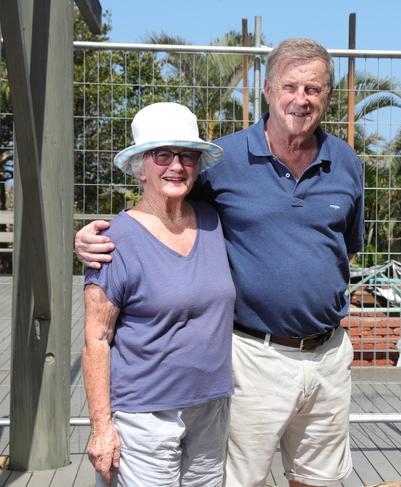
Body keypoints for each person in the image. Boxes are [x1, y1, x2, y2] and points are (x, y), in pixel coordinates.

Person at [77, 38, 365, 487]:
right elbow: (158, 209)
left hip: (325, 357)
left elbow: (344, 249)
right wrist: (89, 241)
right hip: (253, 356)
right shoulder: (225, 162)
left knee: (319, 479)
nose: (301, 99)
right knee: (241, 480)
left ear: (328, 95)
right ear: (268, 89)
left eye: (314, 89)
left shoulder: (345, 162)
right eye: (290, 86)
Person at [82, 102, 235, 487]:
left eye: (187, 155)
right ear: (140, 167)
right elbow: (96, 339)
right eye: (162, 154)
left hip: (211, 408)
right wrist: (101, 427)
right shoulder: (115, 241)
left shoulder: (214, 221)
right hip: (144, 418)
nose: (176, 165)